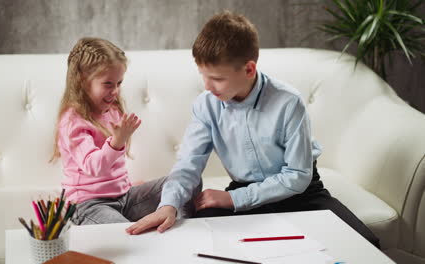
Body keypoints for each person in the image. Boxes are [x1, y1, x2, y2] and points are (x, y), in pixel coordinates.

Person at [126, 11, 380, 248]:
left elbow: (297, 176)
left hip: (302, 193)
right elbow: (187, 166)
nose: (207, 86)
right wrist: (168, 204)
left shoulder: (288, 102)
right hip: (244, 189)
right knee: (205, 238)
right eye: (203, 75)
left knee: (366, 244)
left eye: (217, 78)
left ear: (249, 69)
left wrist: (235, 199)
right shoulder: (206, 105)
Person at [51, 37, 166, 225]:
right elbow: (93, 167)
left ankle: (167, 228)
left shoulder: (111, 110)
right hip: (88, 205)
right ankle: (126, 225)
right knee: (122, 233)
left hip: (124, 197)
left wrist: (125, 186)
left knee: (182, 184)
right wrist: (117, 142)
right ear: (82, 80)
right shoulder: (73, 121)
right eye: (108, 84)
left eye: (119, 83)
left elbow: (114, 168)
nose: (115, 91)